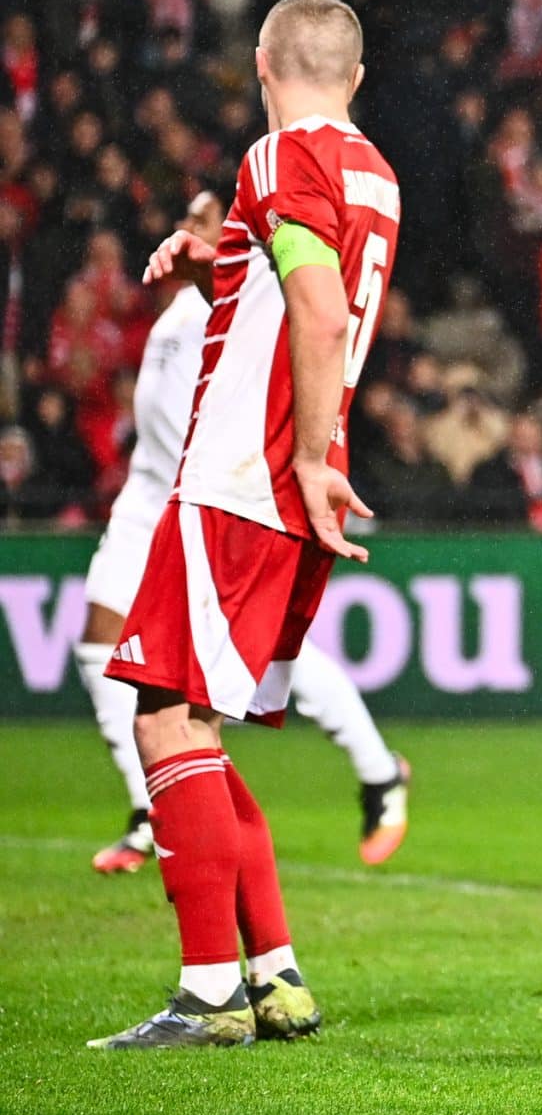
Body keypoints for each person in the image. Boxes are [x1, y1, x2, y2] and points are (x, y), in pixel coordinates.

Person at [91, 0, 403, 1049]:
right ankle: (272, 974)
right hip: (291, 484)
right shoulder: (375, 174)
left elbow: (314, 310)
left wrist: (306, 459)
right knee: (200, 735)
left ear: (262, 63)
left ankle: (208, 991)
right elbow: (297, 288)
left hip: (245, 477)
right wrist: (211, 268)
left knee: (162, 717)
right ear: (356, 75)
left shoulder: (278, 159)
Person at [76, 192, 412, 877]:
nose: (187, 227)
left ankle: (380, 769)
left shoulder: (246, 306)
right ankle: (149, 809)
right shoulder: (178, 308)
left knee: (255, 666)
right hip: (149, 497)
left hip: (207, 498)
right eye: (187, 216)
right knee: (100, 643)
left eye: (204, 218)